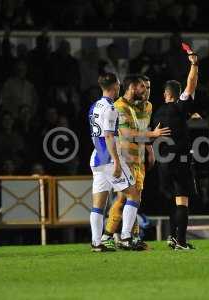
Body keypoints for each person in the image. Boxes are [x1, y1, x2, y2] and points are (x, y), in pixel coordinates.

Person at [101, 75, 170, 250]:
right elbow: (127, 134)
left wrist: (149, 148)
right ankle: (118, 236)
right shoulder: (119, 106)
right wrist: (153, 136)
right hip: (125, 159)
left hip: (139, 159)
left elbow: (143, 129)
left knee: (132, 199)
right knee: (127, 197)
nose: (147, 91)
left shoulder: (147, 106)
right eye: (144, 87)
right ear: (132, 87)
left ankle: (124, 237)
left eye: (148, 87)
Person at [152, 47, 198, 250]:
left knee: (174, 199)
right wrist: (194, 64)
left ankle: (172, 237)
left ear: (165, 95)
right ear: (177, 95)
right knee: (183, 200)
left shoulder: (158, 112)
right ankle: (181, 241)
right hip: (179, 160)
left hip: (162, 164)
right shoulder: (180, 106)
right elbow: (191, 84)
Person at [89, 72, 140, 252]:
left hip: (96, 158)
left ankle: (96, 243)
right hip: (109, 159)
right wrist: (117, 162)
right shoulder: (111, 108)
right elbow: (109, 136)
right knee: (134, 194)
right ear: (115, 86)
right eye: (118, 85)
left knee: (98, 205)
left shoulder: (94, 106)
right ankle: (126, 236)